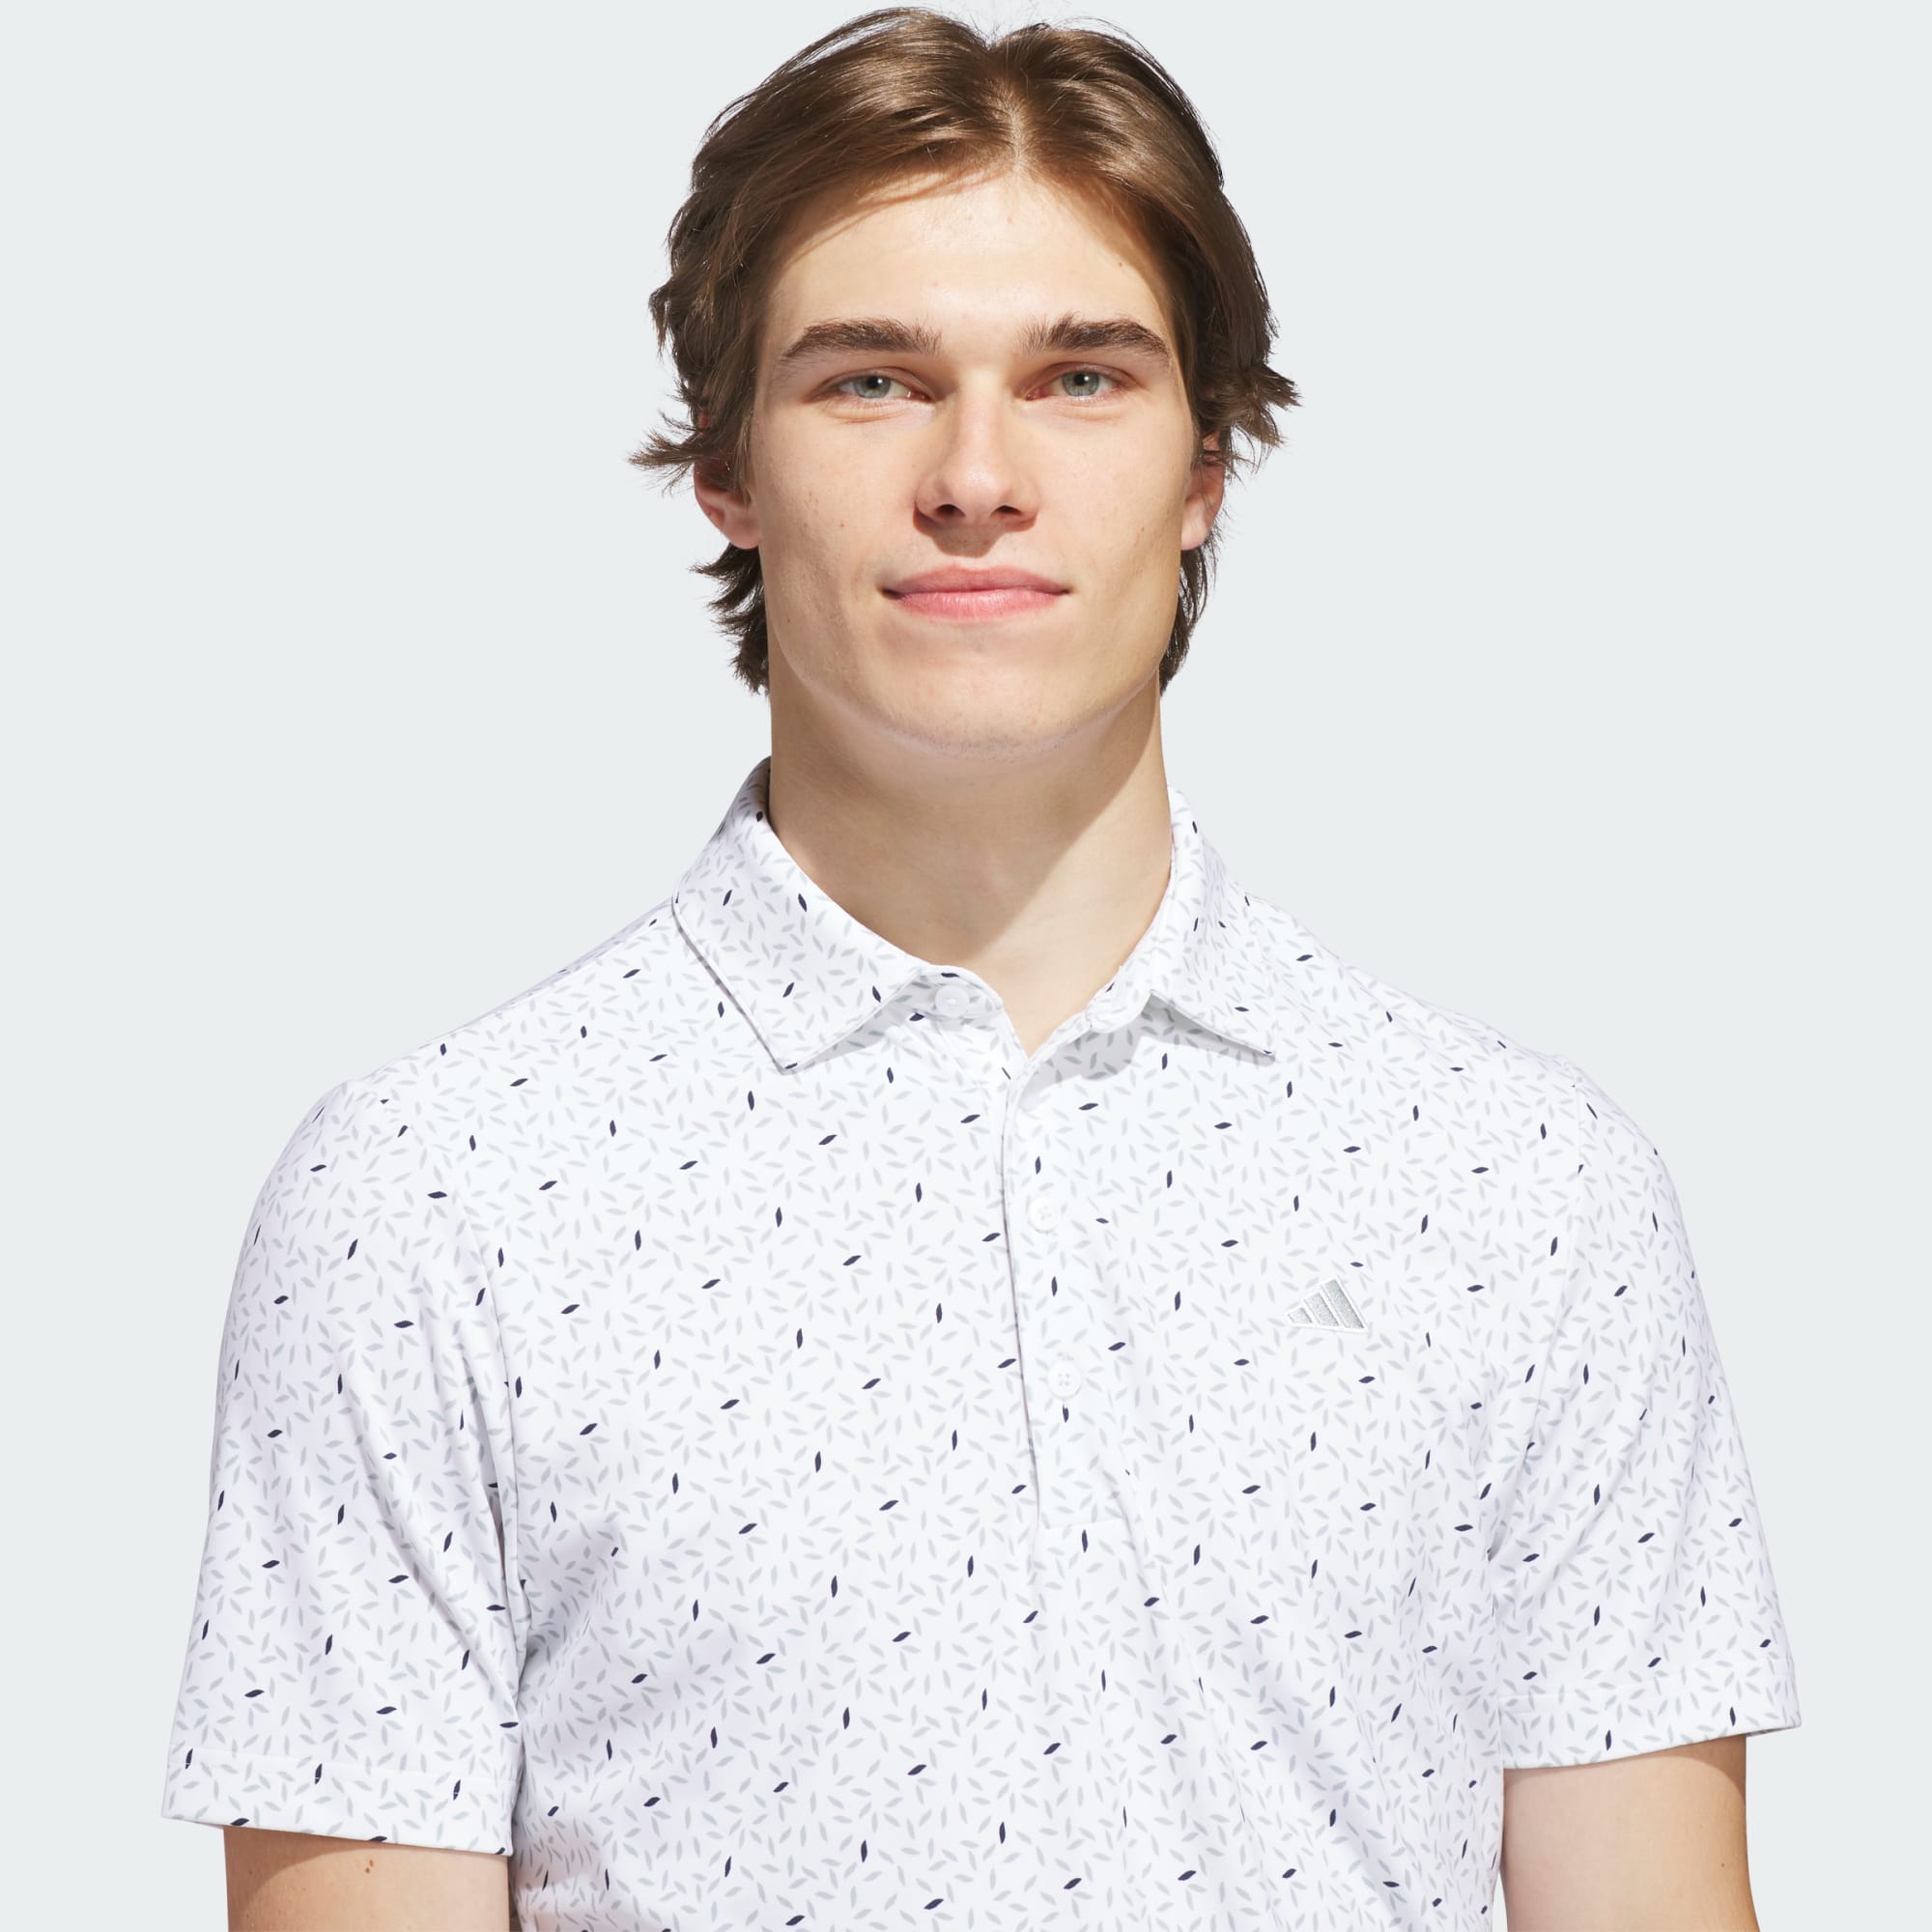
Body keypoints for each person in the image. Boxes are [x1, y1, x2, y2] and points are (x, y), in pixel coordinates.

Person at [159, 9, 1801, 1927]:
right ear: (727, 466)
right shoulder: (432, 1203)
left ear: (1207, 459)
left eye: (1082, 376)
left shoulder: (1526, 1193)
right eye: (870, 380)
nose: (976, 473)